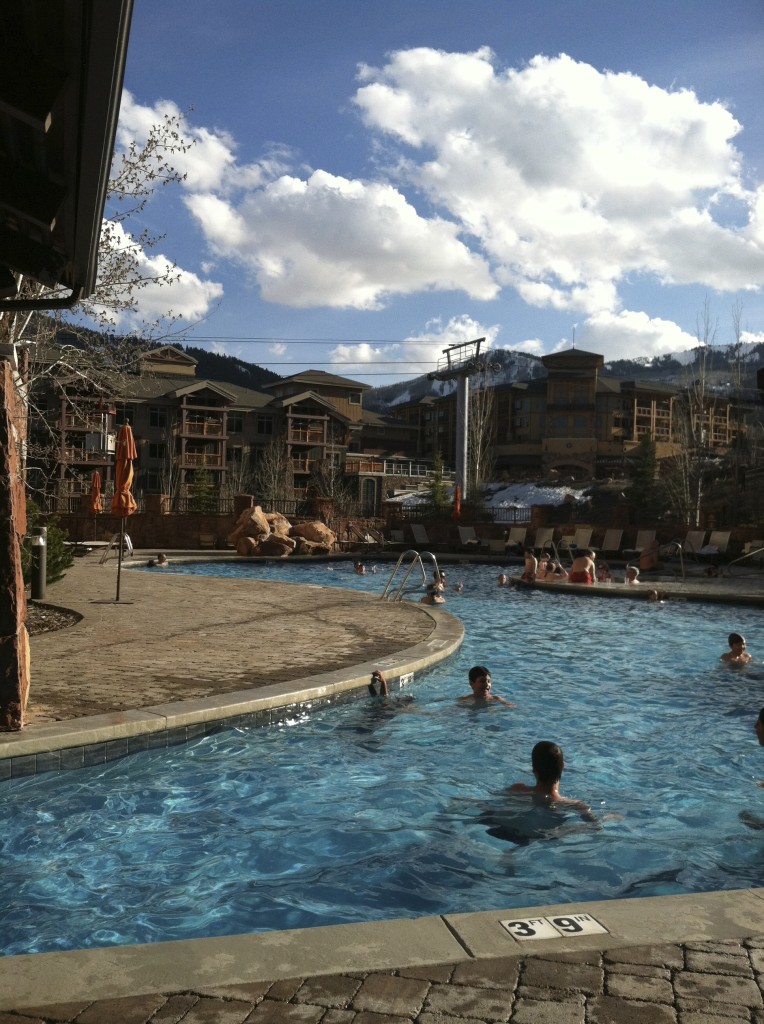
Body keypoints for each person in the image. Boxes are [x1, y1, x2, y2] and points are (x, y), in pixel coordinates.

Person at [508, 741, 592, 814]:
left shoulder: (517, 790)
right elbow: (595, 827)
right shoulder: (576, 806)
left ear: (533, 769)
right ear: (563, 766)